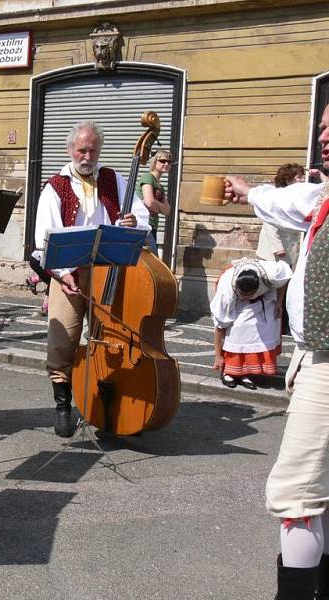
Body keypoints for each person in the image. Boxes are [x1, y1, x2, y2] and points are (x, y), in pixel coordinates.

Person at [224, 101, 329, 599]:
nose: (323, 137)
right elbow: (284, 200)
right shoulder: (322, 196)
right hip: (315, 356)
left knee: (296, 495)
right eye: (323, 128)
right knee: (321, 494)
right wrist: (246, 191)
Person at [34, 120, 150, 438]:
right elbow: (45, 237)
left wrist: (132, 220)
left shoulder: (114, 179)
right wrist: (63, 274)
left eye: (93, 149)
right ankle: (62, 407)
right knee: (63, 341)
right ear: (71, 149)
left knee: (112, 339)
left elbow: (142, 215)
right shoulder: (55, 186)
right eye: (82, 149)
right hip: (69, 274)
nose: (87, 155)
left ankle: (112, 406)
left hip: (108, 272)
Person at [210, 258, 291, 390]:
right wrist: (218, 356)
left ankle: (246, 372)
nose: (247, 297)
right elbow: (219, 325)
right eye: (244, 295)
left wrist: (279, 302)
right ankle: (229, 371)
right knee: (238, 328)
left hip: (264, 297)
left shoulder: (270, 273)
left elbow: (285, 277)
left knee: (265, 325)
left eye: (249, 295)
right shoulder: (226, 290)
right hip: (236, 299)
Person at [256, 163, 305, 269]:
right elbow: (269, 223)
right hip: (275, 252)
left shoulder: (295, 196)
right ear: (288, 180)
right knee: (273, 281)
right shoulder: (277, 196)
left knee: (285, 279)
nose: (303, 180)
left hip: (288, 249)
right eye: (299, 177)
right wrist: (278, 248)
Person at [136, 148, 172, 252]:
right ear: (154, 161)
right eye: (162, 161)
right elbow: (150, 202)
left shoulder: (160, 186)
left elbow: (167, 210)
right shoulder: (148, 177)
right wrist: (157, 206)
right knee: (153, 257)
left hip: (153, 225)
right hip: (144, 225)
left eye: (169, 162)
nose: (166, 164)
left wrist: (155, 205)